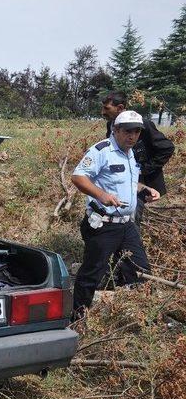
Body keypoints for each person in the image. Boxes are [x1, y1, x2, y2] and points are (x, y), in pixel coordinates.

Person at [71, 110, 161, 319]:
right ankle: (77, 319)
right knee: (92, 273)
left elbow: (126, 182)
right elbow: (78, 177)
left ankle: (135, 317)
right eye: (128, 131)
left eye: (137, 131)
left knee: (139, 270)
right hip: (104, 224)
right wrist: (101, 194)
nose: (133, 136)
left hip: (126, 225)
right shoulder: (102, 150)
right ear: (116, 130)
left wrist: (144, 189)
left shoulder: (131, 152)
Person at [101, 91, 175, 224]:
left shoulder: (142, 124)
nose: (103, 112)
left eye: (107, 108)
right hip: (119, 178)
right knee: (118, 215)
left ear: (120, 108)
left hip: (139, 182)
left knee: (133, 218)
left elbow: (167, 147)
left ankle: (131, 243)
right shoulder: (110, 125)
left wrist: (143, 169)